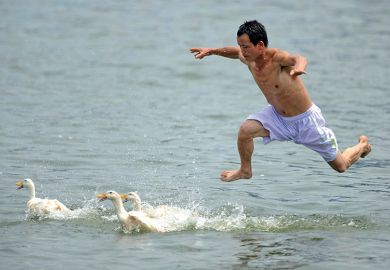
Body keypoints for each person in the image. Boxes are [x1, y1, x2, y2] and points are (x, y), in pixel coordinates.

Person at [190, 20, 371, 182]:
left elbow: (300, 58)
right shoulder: (249, 59)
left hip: (306, 122)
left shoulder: (276, 58)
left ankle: (362, 145)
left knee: (341, 166)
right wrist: (211, 51)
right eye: (241, 46)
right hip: (277, 117)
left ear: (260, 45)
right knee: (246, 130)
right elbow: (234, 52)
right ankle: (245, 170)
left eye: (246, 46)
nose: (242, 51)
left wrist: (299, 69)